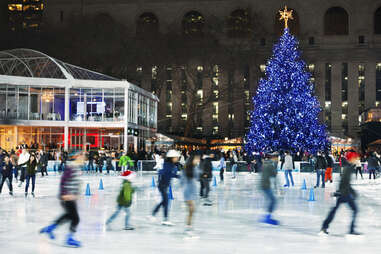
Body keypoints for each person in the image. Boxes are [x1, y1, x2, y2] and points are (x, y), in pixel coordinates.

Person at [40, 152, 84, 248]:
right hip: (67, 197)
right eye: (82, 156)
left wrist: (77, 194)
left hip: (71, 197)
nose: (83, 158)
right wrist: (64, 194)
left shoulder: (76, 168)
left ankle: (50, 229)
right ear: (77, 157)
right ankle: (69, 238)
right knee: (75, 218)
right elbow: (63, 181)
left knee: (68, 216)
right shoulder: (71, 167)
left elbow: (76, 183)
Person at [320, 151, 360, 236]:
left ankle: (324, 227)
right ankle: (351, 230)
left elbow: (345, 183)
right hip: (344, 194)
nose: (357, 159)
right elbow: (344, 182)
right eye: (355, 158)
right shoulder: (348, 168)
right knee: (354, 210)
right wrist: (344, 192)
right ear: (351, 159)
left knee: (334, 210)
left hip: (343, 193)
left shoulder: (349, 167)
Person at [150, 149, 180, 226]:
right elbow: (163, 172)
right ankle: (164, 219)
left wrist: (178, 176)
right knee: (166, 202)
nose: (177, 158)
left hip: (164, 185)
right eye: (176, 157)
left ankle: (153, 214)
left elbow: (170, 174)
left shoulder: (171, 165)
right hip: (162, 185)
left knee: (164, 202)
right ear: (172, 157)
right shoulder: (168, 165)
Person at [182, 154, 201, 236]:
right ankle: (188, 228)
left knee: (191, 211)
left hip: (192, 191)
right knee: (191, 210)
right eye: (196, 159)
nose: (198, 161)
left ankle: (188, 227)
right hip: (187, 191)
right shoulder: (187, 168)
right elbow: (182, 180)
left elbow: (197, 177)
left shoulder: (195, 168)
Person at [260, 153, 279, 225]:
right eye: (276, 158)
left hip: (264, 184)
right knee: (273, 200)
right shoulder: (270, 165)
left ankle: (267, 216)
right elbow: (273, 175)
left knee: (271, 200)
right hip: (265, 185)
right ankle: (268, 217)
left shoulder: (265, 164)